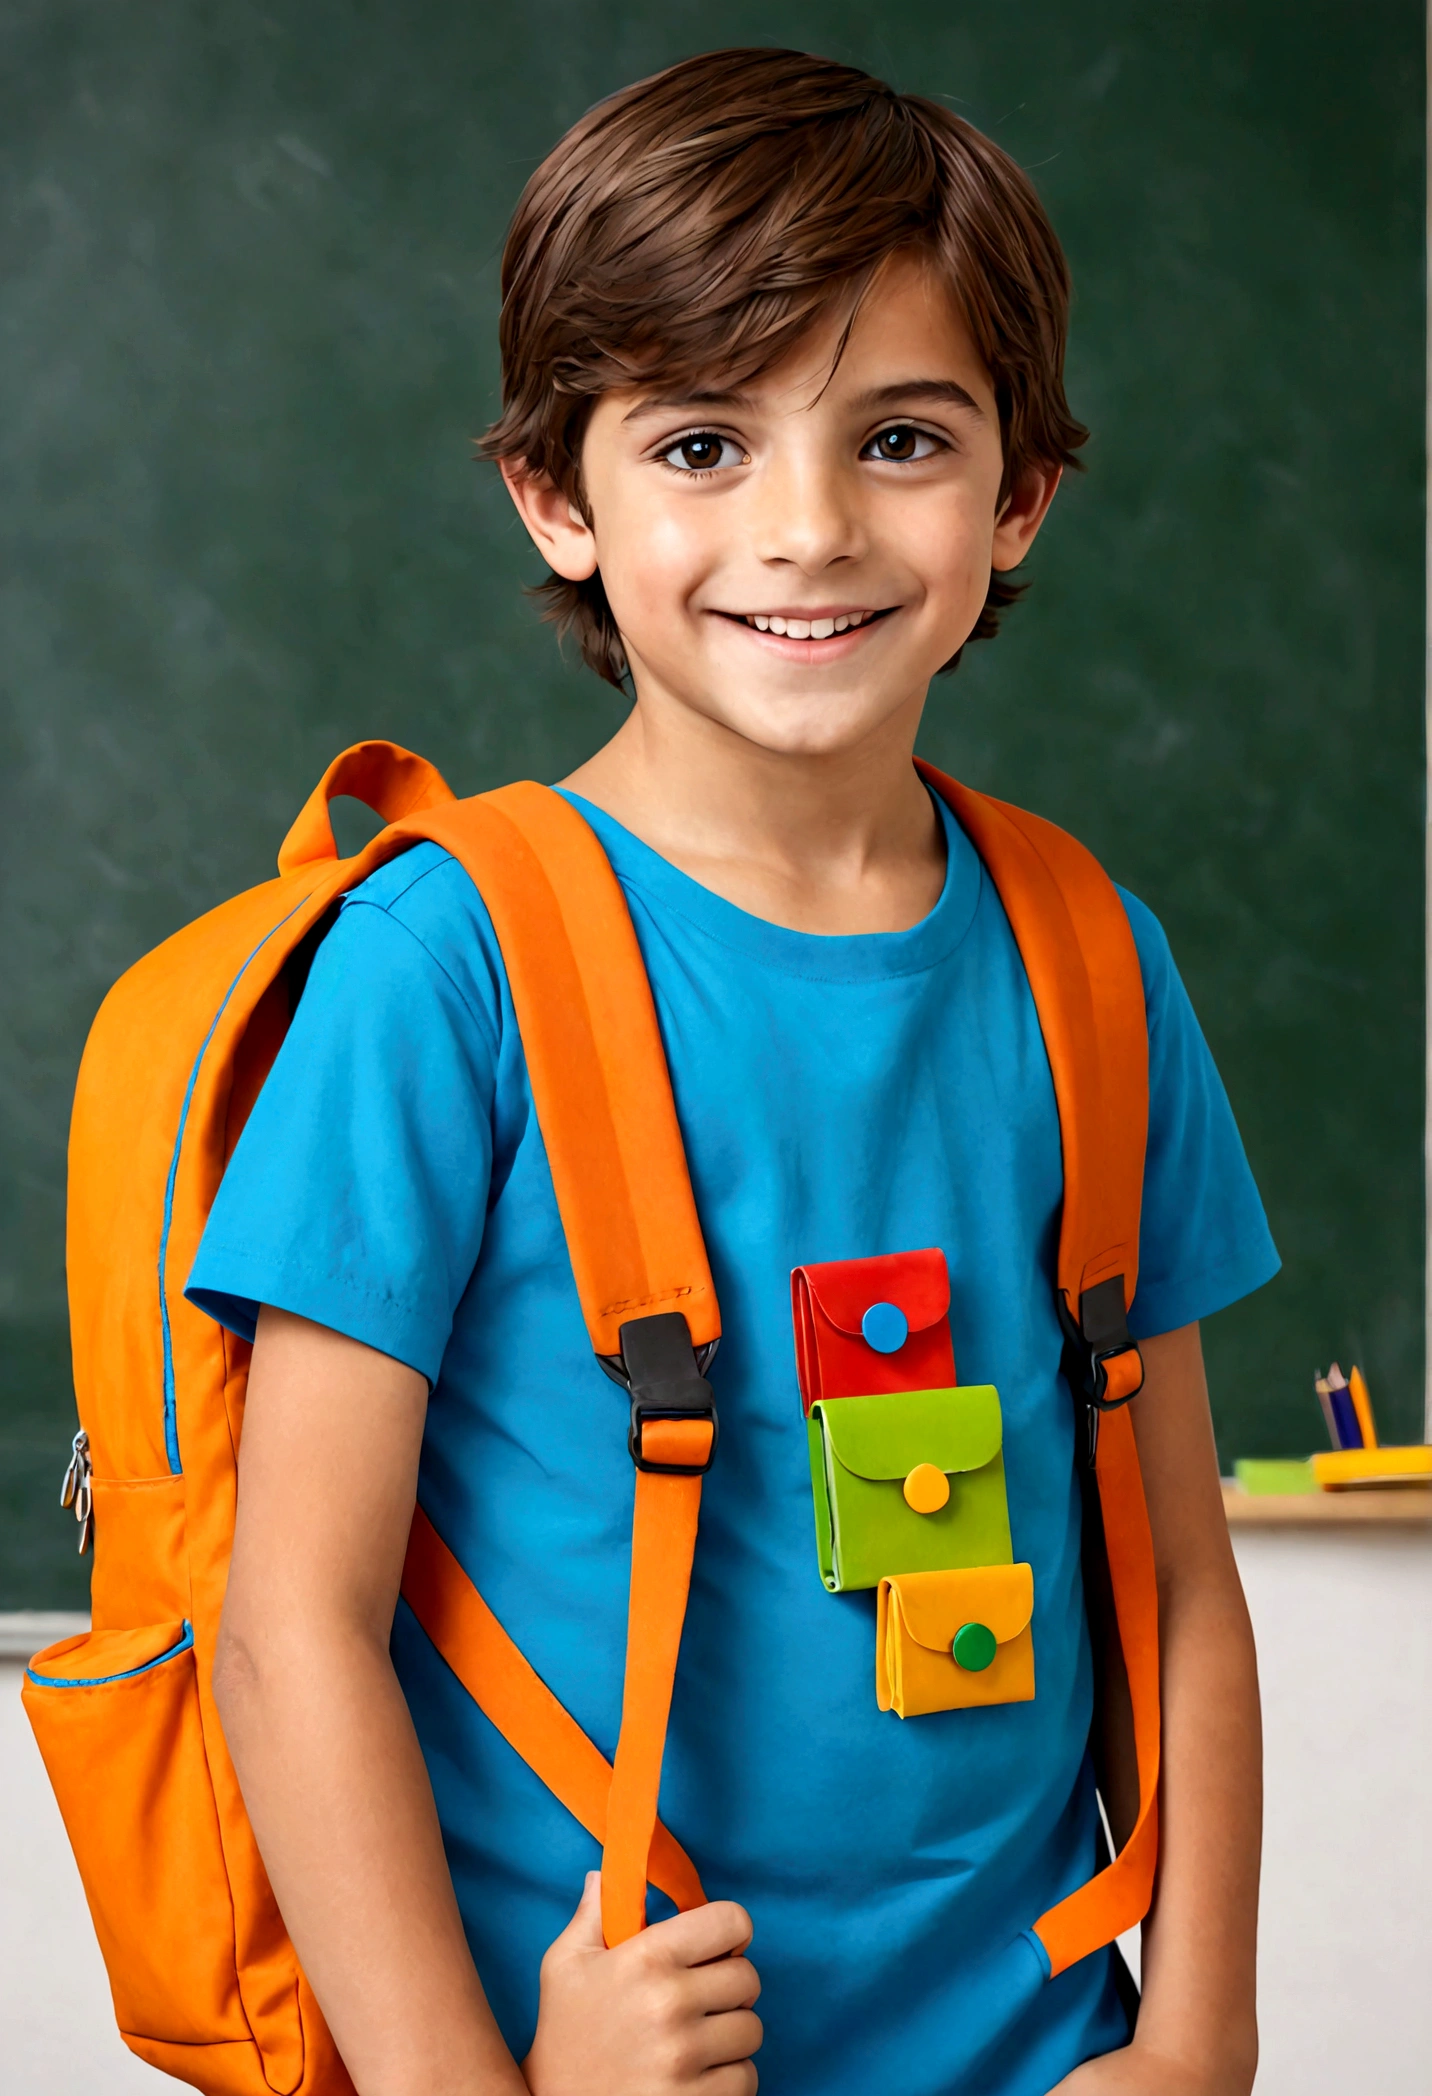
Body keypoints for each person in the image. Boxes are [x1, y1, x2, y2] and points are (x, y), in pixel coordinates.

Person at [190, 47, 1273, 2096]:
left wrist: (1194, 2036)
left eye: (896, 438)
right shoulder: (447, 967)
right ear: (552, 497)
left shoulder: (1086, 960)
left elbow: (1183, 1579)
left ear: (1018, 488)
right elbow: (291, 1626)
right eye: (699, 443)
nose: (807, 526)